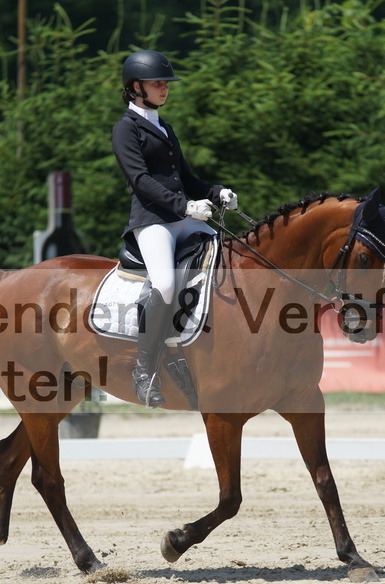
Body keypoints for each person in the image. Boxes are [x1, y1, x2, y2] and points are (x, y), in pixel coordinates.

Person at [112, 49, 237, 408]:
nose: (165, 88)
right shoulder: (125, 128)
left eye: (166, 83)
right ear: (136, 87)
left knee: (229, 260)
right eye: (157, 83)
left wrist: (216, 192)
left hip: (185, 218)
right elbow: (140, 180)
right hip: (153, 222)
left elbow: (186, 178)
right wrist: (185, 206)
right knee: (165, 283)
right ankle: (144, 369)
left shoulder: (164, 126)